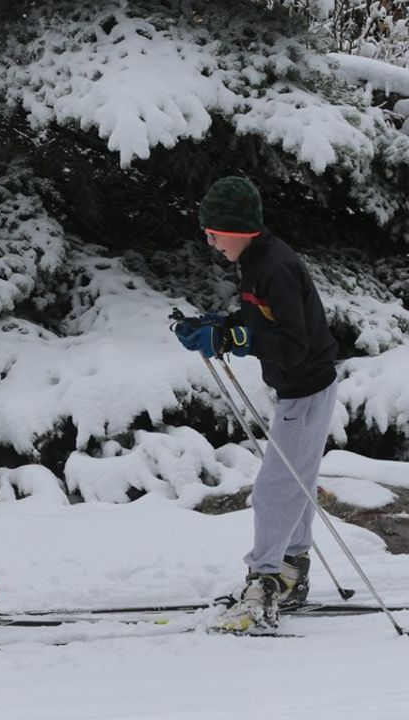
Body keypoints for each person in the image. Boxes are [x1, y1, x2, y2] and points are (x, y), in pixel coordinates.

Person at [174, 176, 339, 632]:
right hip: (304, 388)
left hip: (305, 388)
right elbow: (259, 319)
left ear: (238, 228)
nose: (209, 241)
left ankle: (262, 585)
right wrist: (218, 325)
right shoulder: (257, 260)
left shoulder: (275, 266)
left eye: (213, 232)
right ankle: (292, 570)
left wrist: (234, 338)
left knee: (273, 488)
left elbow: (293, 341)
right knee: (297, 481)